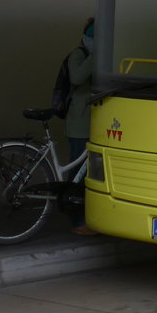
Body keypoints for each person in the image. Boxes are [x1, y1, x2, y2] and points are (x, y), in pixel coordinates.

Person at [65, 18, 96, 235]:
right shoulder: (78, 54)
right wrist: (96, 55)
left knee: (87, 174)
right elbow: (76, 77)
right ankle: (77, 221)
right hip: (79, 125)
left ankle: (88, 217)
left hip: (92, 124)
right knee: (77, 174)